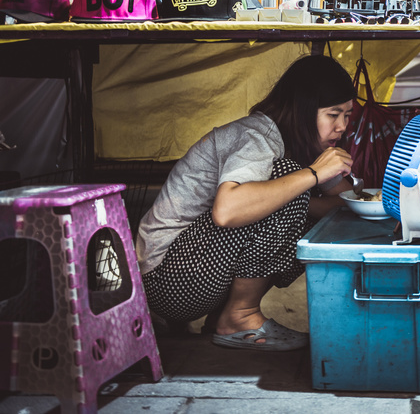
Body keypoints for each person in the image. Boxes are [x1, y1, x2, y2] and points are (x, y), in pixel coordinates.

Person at [136, 55, 357, 351]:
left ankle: (223, 318)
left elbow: (343, 203)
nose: (342, 126)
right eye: (333, 115)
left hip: (197, 275)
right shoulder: (257, 136)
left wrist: (368, 200)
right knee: (290, 182)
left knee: (298, 196)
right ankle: (240, 316)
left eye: (347, 115)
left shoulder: (298, 143)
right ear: (304, 111)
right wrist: (313, 175)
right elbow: (227, 212)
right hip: (168, 281)